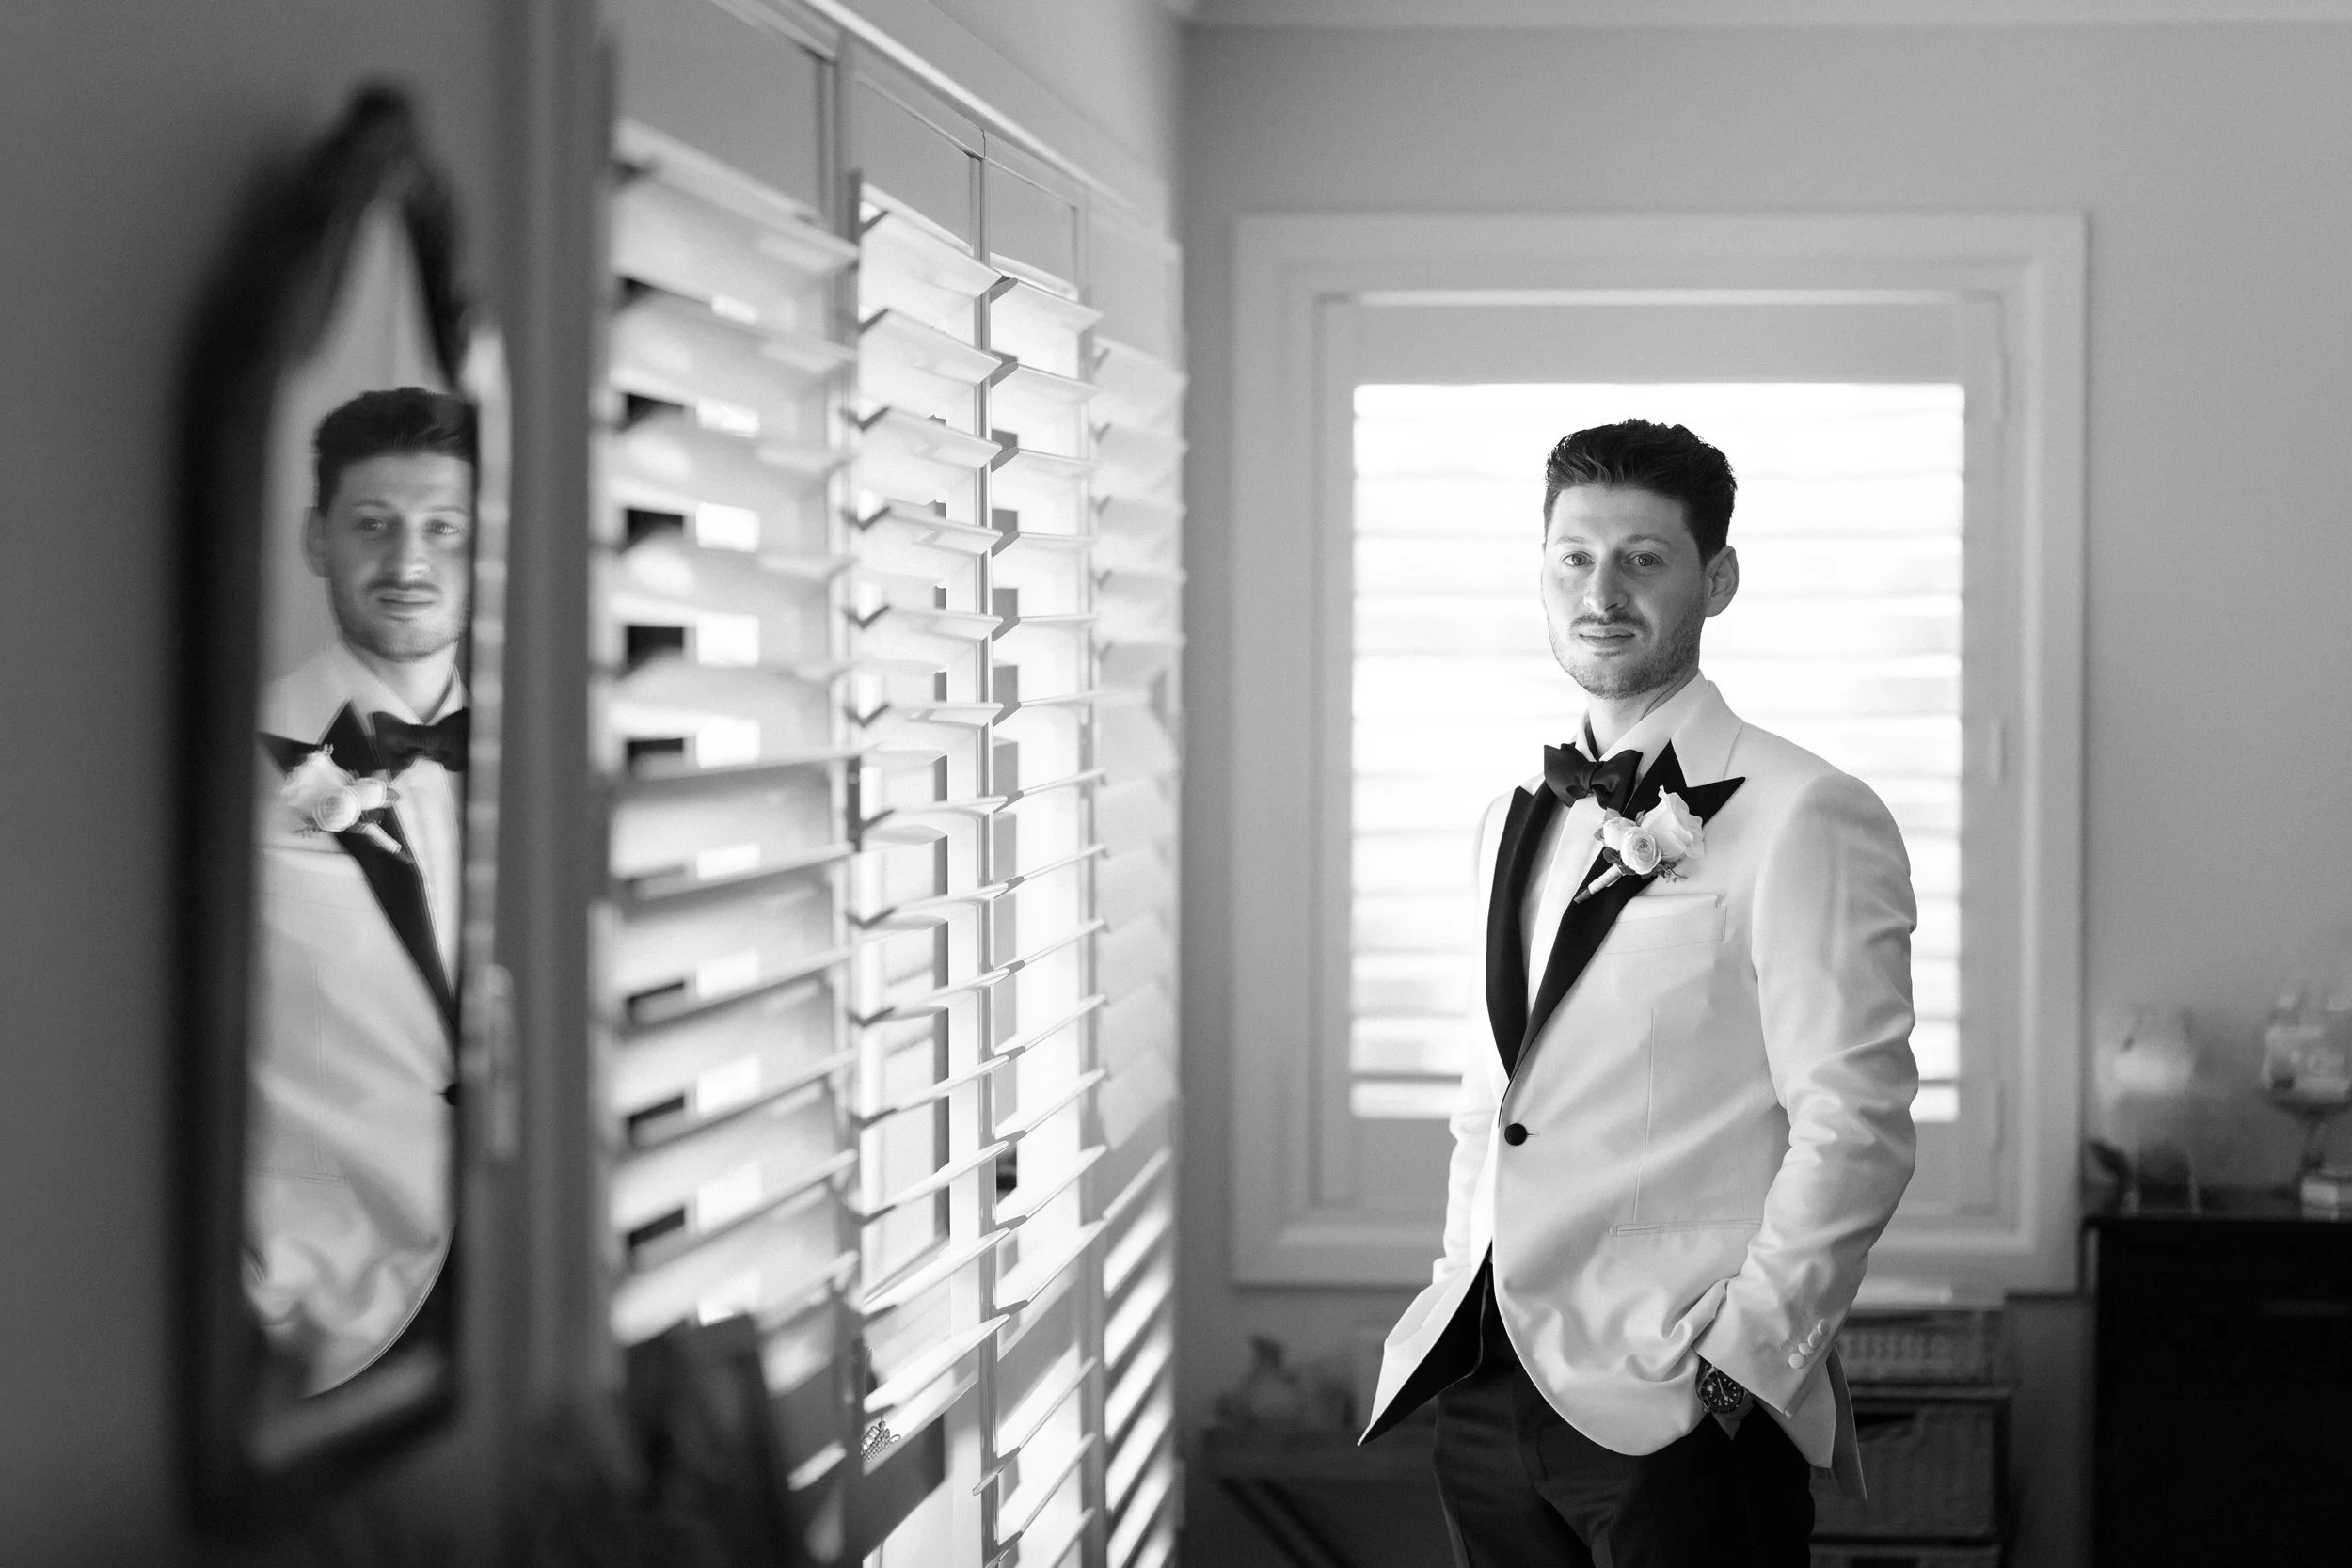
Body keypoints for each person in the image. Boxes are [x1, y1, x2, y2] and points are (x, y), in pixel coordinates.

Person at [1359, 420, 1919, 1566]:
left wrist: (1745, 1364)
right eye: (1574, 556)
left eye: (1642, 558)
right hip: (1488, 1385)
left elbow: (1853, 1121)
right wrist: (1452, 1288)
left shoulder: (1809, 812)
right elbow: (1491, 1106)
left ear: (1714, 579)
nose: (1601, 590)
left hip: (1681, 1405)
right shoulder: (1511, 814)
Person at [246, 386, 475, 1395]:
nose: (409, 563)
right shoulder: (221, 767)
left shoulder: (564, 760)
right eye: (373, 525)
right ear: (315, 538)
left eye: (444, 529)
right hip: (312, 1314)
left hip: (519, 1301)